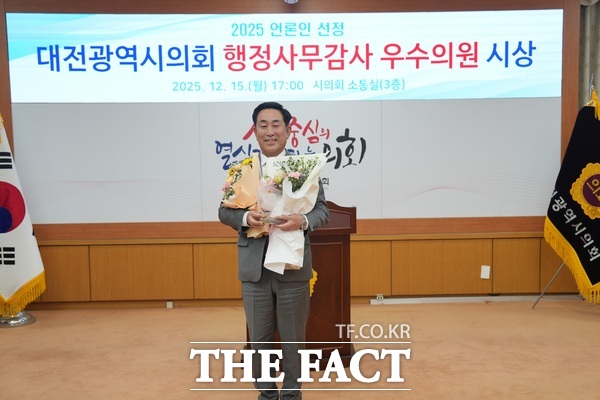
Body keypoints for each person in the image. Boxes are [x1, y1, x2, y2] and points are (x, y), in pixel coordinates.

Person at [218, 102, 329, 400]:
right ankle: (266, 395)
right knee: (259, 342)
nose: (270, 131)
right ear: (254, 132)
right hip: (254, 270)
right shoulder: (242, 169)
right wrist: (245, 218)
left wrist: (302, 221)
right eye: (263, 125)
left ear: (288, 130)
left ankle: (292, 395)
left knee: (294, 340)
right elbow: (224, 211)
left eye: (276, 124)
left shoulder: (304, 168)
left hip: (292, 266)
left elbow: (321, 210)